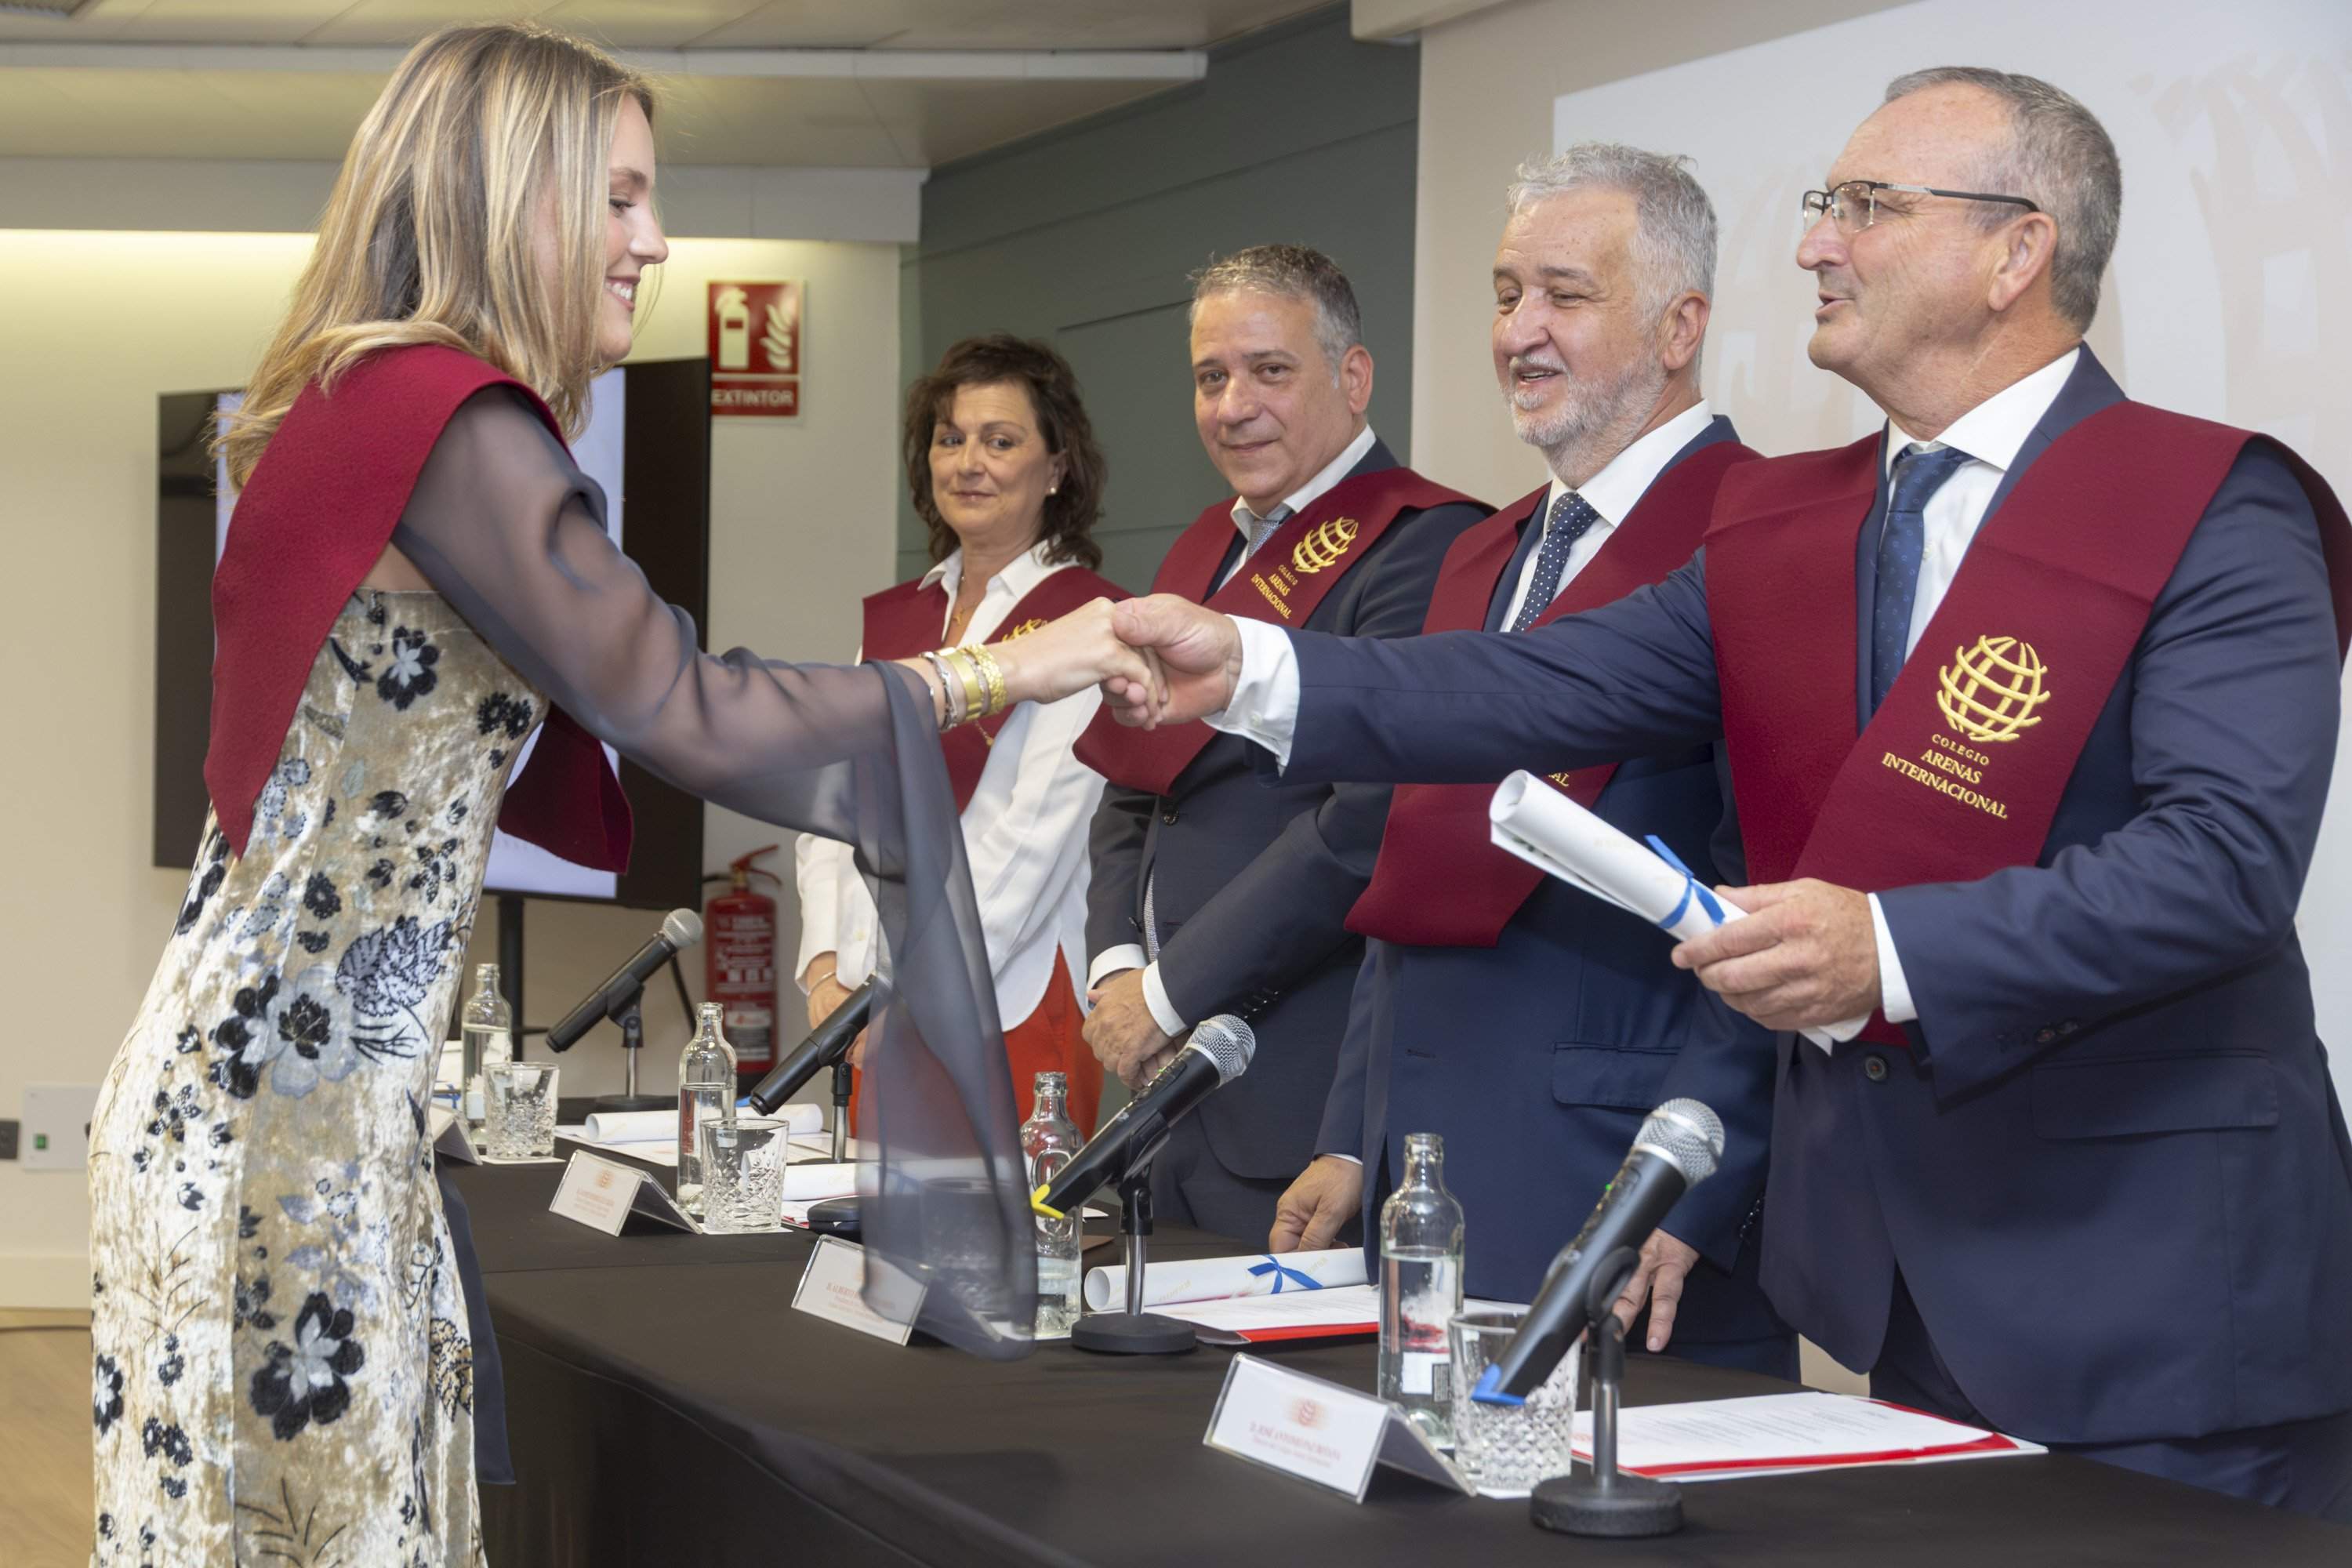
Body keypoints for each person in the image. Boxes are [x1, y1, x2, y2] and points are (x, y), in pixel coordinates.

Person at [1107, 68, 2352, 1519]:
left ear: (2018, 251)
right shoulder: (1801, 522)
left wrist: (1884, 949)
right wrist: (1251, 668)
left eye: (1867, 207)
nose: (1816, 242)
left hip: (2164, 1294)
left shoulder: (2211, 505)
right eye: (1825, 205)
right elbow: (1534, 685)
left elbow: (2221, 865)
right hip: (1910, 1288)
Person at [86, 24, 1147, 1564]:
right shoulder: (449, 421)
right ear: (504, 197)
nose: (653, 241)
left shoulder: (360, 397)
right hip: (288, 1129)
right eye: (621, 198)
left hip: (264, 1099)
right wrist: (1010, 669)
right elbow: (685, 704)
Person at [1268, 146, 1792, 1377]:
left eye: (1564, 294)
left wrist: (1697, 1176)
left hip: (1622, 1190)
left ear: (1680, 327)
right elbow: (1412, 863)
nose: (1519, 332)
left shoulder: (1771, 537)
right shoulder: (1484, 553)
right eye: (1507, 295)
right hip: (1423, 1169)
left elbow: (1778, 892)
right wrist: (1353, 1129)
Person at [1074, 245, 1486, 1244]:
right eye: (1211, 376)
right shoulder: (1206, 547)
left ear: (1354, 377)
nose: (1233, 405)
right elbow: (1133, 782)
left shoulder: (1426, 544)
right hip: (1161, 1081)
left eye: (1269, 370)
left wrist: (1168, 992)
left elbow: (1365, 825)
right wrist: (1118, 968)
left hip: (1299, 1094)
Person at [799, 336, 1124, 1134]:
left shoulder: (1087, 622)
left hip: (1003, 996)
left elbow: (1030, 843)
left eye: (1000, 441)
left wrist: (914, 996)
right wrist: (825, 965)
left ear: (1057, 468)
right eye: (950, 439)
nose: (968, 463)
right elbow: (832, 800)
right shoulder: (901, 619)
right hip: (870, 1002)